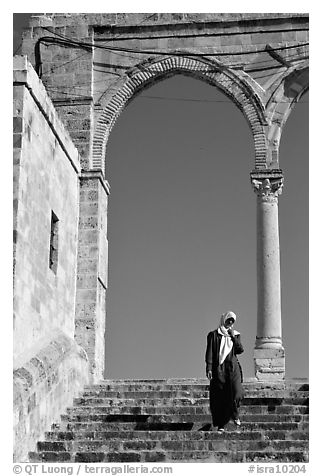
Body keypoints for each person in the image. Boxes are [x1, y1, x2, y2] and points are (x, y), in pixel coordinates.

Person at [205, 311, 244, 433]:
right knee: (221, 396)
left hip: (233, 367)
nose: (230, 323)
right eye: (228, 320)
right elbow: (210, 352)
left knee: (237, 392)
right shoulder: (214, 335)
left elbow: (240, 350)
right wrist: (209, 368)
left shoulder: (236, 335)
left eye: (232, 321)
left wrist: (232, 336)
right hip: (219, 369)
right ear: (224, 320)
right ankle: (221, 424)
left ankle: (235, 413)